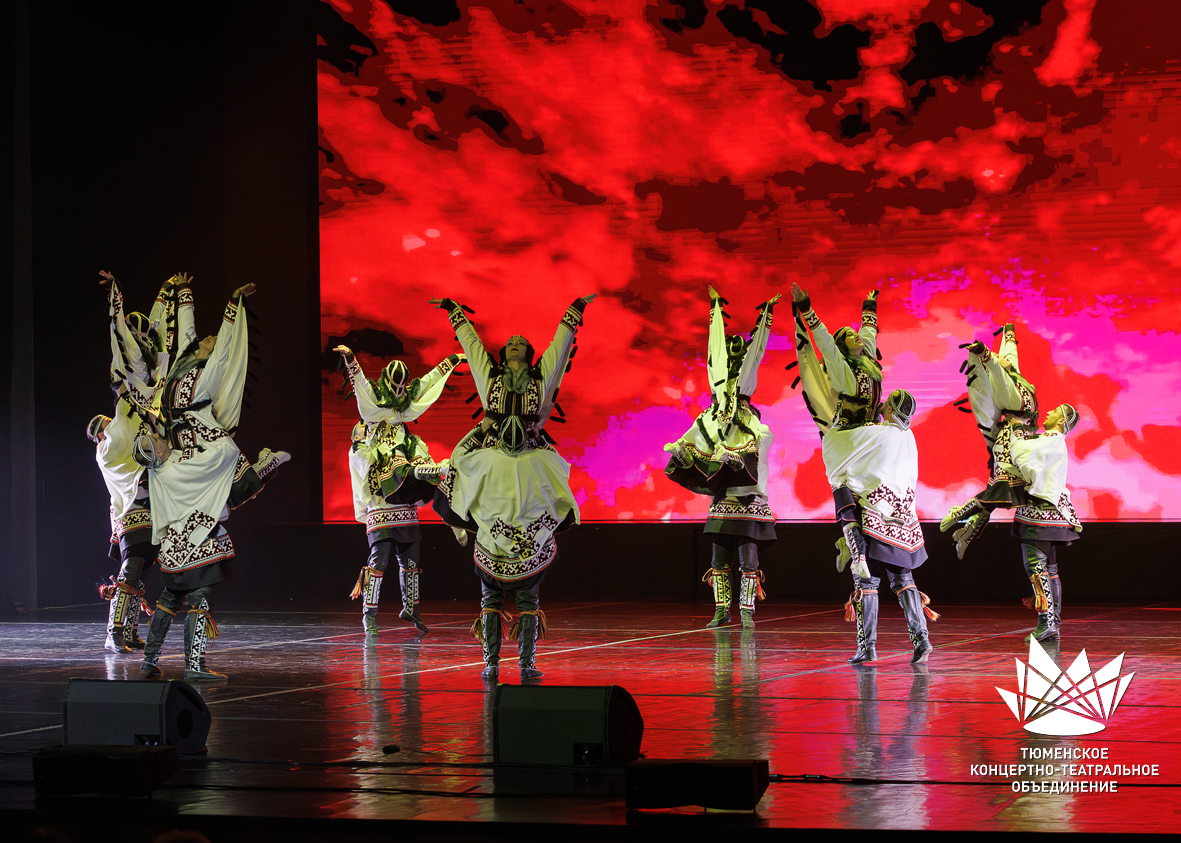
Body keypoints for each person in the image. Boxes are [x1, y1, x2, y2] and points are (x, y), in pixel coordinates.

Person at [430, 293, 595, 680]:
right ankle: (490, 662)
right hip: (493, 458)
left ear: (529, 354)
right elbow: (473, 348)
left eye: (522, 342)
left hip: (530, 458)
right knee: (457, 470)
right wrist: (455, 312)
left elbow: (559, 349)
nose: (516, 342)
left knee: (528, 588)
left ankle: (526, 661)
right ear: (504, 355)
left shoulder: (539, 379)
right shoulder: (490, 378)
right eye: (511, 342)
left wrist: (574, 310)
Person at [137, 281, 288, 682]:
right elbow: (221, 354)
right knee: (227, 460)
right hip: (199, 454)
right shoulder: (200, 378)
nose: (207, 341)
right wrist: (232, 308)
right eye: (207, 343)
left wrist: (184, 296)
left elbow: (189, 338)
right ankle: (194, 665)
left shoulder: (176, 374)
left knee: (172, 594)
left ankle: (150, 660)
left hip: (181, 468)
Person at [789, 286, 935, 664]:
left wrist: (870, 306)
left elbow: (869, 333)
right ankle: (899, 641)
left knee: (847, 498)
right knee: (892, 571)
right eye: (849, 335)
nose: (856, 335)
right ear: (842, 347)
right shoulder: (844, 370)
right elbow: (825, 343)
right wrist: (808, 310)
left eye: (856, 333)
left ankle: (878, 643)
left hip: (860, 443)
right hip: (862, 441)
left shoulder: (867, 361)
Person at [663, 286, 779, 628]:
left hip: (749, 500)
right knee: (719, 559)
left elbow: (755, 353)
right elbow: (694, 438)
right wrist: (683, 454)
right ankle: (720, 610)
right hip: (723, 500)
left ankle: (746, 612)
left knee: (748, 560)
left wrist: (766, 318)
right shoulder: (711, 415)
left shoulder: (751, 421)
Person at [335, 344, 465, 634]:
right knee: (379, 562)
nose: (397, 392)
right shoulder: (366, 434)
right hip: (382, 503)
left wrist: (451, 360)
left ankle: (412, 608)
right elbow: (360, 386)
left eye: (401, 387)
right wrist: (351, 359)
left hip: (403, 502)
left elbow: (427, 383)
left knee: (411, 561)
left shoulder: (405, 419)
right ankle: (369, 615)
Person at [92, 271, 177, 653]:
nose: (142, 342)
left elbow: (159, 337)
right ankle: (114, 631)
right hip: (132, 498)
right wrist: (115, 298)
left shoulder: (151, 389)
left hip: (150, 491)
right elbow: (120, 339)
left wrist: (166, 295)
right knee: (133, 563)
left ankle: (127, 631)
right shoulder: (113, 438)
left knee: (141, 564)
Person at [940, 324, 1039, 557]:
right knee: (1000, 491)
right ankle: (959, 514)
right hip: (1010, 443)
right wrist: (984, 354)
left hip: (1024, 442)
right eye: (999, 358)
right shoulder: (1006, 388)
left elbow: (1009, 357)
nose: (1004, 359)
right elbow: (997, 371)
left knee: (1002, 494)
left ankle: (967, 532)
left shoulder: (1016, 378)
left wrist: (1009, 334)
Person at [1008, 403, 1082, 642]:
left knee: (1036, 567)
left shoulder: (1051, 439)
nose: (1048, 412)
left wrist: (1016, 429)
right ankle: (1053, 623)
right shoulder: (1053, 441)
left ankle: (1046, 623)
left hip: (1040, 513)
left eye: (1055, 412)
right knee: (1050, 569)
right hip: (1052, 512)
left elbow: (1020, 453)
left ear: (1061, 421)